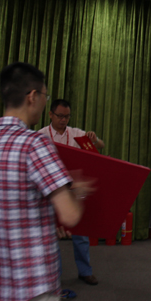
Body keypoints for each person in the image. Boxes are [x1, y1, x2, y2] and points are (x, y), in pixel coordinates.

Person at [0, 62, 94, 301]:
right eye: (45, 96)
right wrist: (78, 191)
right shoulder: (35, 143)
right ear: (33, 96)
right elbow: (69, 215)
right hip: (34, 287)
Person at [39, 99, 104, 287]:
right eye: (60, 116)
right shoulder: (41, 136)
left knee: (81, 233)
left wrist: (94, 139)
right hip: (50, 191)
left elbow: (101, 145)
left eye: (67, 117)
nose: (63, 120)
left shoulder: (76, 134)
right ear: (50, 115)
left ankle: (85, 272)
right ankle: (52, 276)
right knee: (50, 235)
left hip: (74, 190)